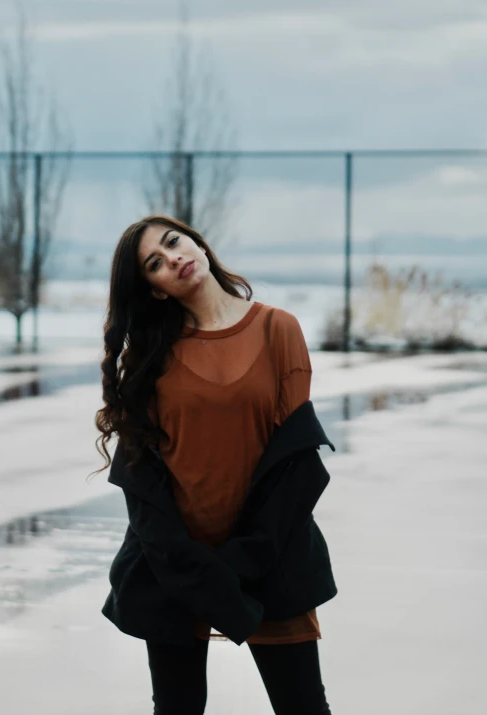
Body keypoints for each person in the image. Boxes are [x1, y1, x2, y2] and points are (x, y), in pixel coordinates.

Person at [92, 214, 337, 715]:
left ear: (198, 244)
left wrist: (242, 562)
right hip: (174, 568)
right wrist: (190, 569)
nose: (173, 258)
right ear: (156, 290)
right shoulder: (152, 357)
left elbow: (297, 461)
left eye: (173, 242)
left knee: (304, 708)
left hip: (272, 554)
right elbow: (141, 477)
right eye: (154, 264)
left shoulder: (278, 329)